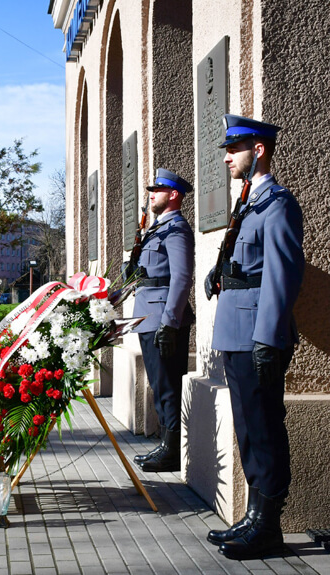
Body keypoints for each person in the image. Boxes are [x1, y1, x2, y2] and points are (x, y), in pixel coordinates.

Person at [204, 114, 304, 560]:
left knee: (263, 429)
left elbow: (282, 277)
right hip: (236, 332)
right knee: (247, 428)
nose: (227, 158)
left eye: (233, 149)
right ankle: (253, 517)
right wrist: (218, 272)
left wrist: (268, 339)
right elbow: (246, 262)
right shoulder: (248, 203)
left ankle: (269, 527)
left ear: (258, 150)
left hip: (256, 337)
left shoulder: (278, 203)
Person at [129, 168, 195, 473]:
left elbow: (181, 278)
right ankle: (167, 445)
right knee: (159, 384)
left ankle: (172, 451)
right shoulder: (156, 230)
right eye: (151, 190)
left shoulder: (177, 229)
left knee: (167, 386)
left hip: (163, 320)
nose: (151, 194)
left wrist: (170, 322)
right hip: (148, 316)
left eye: (158, 190)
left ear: (174, 195)